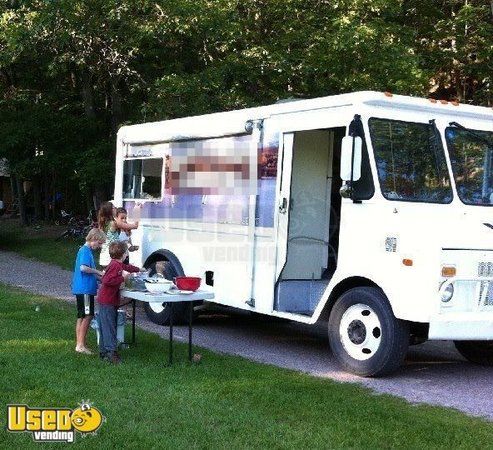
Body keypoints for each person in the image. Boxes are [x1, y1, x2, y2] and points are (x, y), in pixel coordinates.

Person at [97, 241, 141, 364]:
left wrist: (138, 269)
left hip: (107, 301)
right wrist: (124, 278)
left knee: (105, 326)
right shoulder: (116, 266)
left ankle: (104, 352)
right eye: (126, 251)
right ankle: (111, 354)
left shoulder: (116, 264)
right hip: (107, 301)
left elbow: (127, 267)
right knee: (109, 327)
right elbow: (106, 280)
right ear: (123, 254)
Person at [71, 228, 106, 354]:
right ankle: (80, 345)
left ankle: (80, 343)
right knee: (87, 315)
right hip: (85, 289)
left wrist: (103, 279)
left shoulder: (86, 251)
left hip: (83, 289)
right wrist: (98, 272)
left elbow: (89, 271)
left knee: (81, 315)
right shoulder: (85, 251)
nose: (100, 246)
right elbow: (83, 268)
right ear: (94, 239)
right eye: (100, 243)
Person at [98, 202, 140, 267]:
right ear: (109, 210)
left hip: (105, 257)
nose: (116, 209)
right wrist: (137, 210)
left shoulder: (106, 222)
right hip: (110, 258)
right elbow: (135, 226)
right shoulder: (113, 223)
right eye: (114, 208)